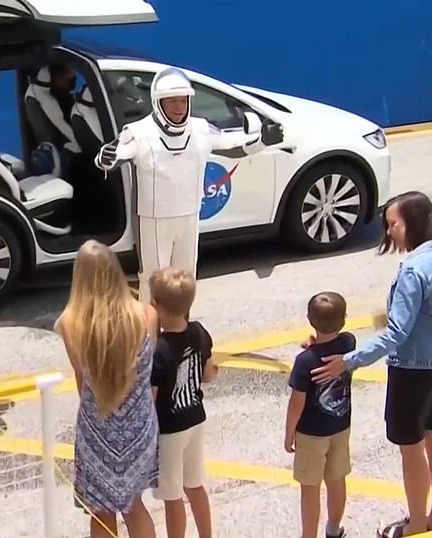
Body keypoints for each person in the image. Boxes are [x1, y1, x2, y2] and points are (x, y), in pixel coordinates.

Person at [310, 191, 432, 537]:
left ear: (411, 223)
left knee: (411, 449)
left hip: (413, 369)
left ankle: (416, 525)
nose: (390, 232)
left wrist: (349, 361)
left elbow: (397, 333)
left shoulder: (413, 269)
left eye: (393, 224)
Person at [93, 67, 285, 304]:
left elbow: (233, 145)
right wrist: (106, 158)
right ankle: (150, 334)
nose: (178, 107)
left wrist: (261, 141)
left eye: (183, 101)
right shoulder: (139, 132)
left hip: (189, 215)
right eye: (171, 101)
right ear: (158, 103)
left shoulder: (201, 129)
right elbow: (115, 154)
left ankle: (180, 328)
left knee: (186, 278)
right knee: (153, 279)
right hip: (153, 218)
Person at [55, 240, 160, 538]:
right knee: (135, 507)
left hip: (97, 429)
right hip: (139, 427)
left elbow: (80, 380)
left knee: (100, 513)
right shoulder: (146, 316)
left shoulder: (69, 324)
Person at [148, 267, 218, 538]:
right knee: (195, 484)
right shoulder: (199, 333)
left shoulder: (158, 350)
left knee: (172, 496)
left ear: (157, 306)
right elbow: (209, 374)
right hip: (195, 419)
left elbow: (151, 399)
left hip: (168, 430)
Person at [285, 292, 356, 538]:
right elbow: (336, 340)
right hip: (340, 427)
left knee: (310, 488)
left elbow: (297, 402)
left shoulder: (305, 362)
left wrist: (289, 433)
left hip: (311, 434)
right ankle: (334, 529)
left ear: (309, 319)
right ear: (344, 319)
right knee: (337, 480)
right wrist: (315, 342)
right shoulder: (349, 344)